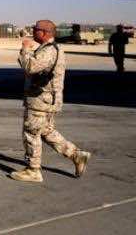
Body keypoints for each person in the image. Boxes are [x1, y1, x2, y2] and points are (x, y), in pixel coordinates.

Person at [10, 19, 91, 183]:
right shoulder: (51, 49)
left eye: (36, 29)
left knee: (31, 133)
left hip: (40, 100)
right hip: (46, 99)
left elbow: (30, 67)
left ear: (44, 33)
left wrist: (25, 49)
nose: (33, 32)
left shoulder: (49, 51)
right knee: (46, 131)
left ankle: (33, 170)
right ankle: (76, 155)